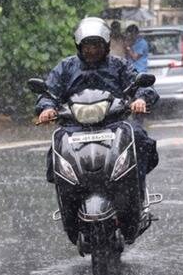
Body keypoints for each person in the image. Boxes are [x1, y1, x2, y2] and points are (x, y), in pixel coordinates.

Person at [36, 17, 159, 193]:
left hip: (114, 124)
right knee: (58, 145)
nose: (92, 50)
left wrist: (140, 99)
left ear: (106, 45)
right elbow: (49, 91)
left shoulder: (119, 65)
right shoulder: (66, 67)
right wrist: (47, 108)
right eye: (87, 46)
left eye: (97, 45)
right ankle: (67, 194)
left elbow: (141, 85)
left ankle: (137, 190)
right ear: (79, 46)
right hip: (74, 126)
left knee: (138, 137)